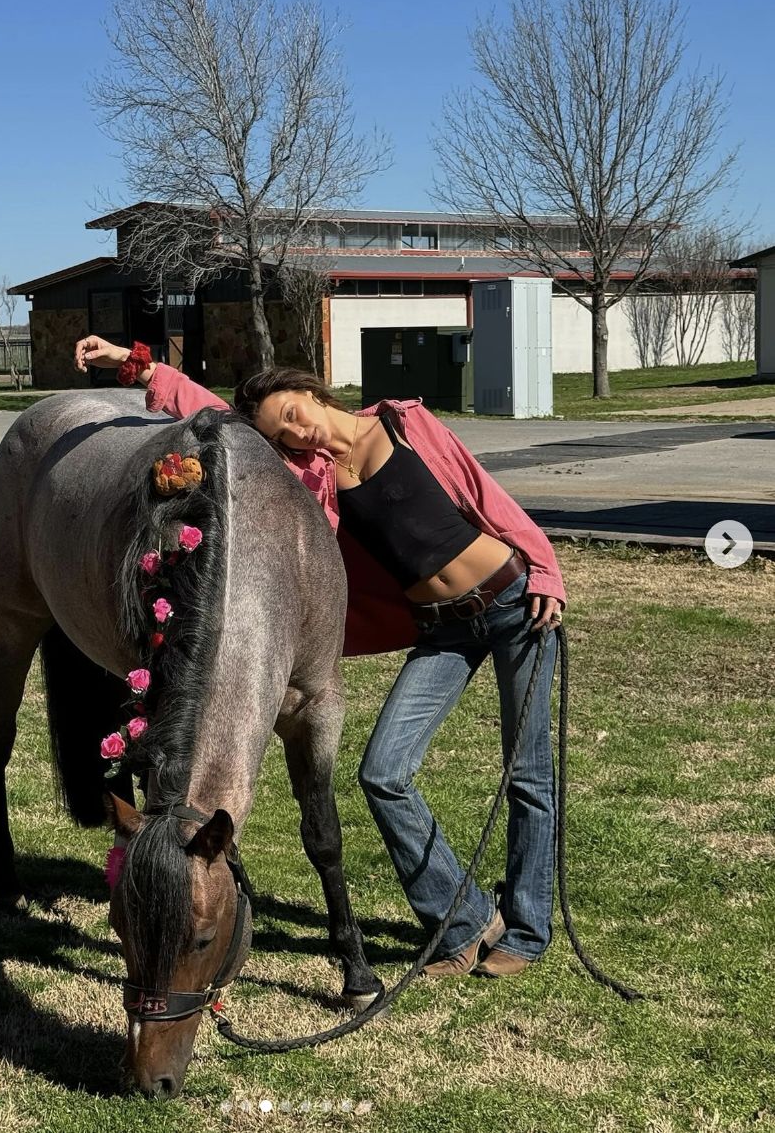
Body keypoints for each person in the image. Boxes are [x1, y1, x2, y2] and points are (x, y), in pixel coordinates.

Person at [73, 336, 566, 979]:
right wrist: (136, 365)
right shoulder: (314, 479)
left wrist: (546, 571)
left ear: (310, 391)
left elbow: (484, 496)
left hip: (513, 603)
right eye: (284, 433)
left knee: (525, 774)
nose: (299, 432)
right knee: (383, 773)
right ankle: (464, 918)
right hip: (443, 630)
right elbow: (215, 414)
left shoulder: (406, 423)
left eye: (294, 412)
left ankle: (527, 930)